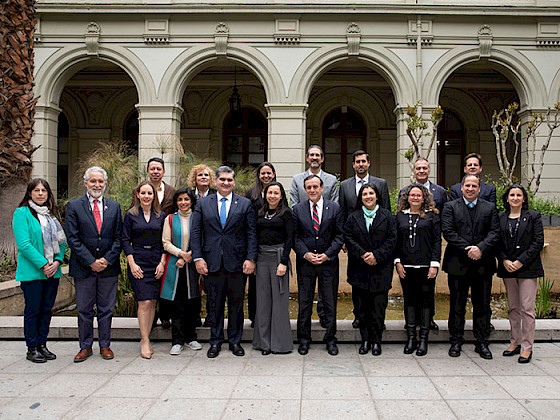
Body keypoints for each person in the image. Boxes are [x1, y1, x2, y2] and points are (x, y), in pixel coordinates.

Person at [190, 166, 257, 358]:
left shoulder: (244, 204)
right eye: (222, 180)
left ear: (234, 182)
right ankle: (216, 341)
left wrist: (251, 258)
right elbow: (196, 232)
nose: (226, 183)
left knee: (236, 305)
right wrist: (198, 257)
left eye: (229, 180)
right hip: (211, 263)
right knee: (215, 305)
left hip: (237, 263)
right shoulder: (203, 204)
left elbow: (251, 234)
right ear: (216, 181)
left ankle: (235, 342)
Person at [66, 166, 122, 363]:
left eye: (100, 181)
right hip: (84, 268)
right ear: (85, 183)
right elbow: (73, 239)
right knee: (84, 309)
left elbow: (118, 238)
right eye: (93, 181)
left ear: (105, 184)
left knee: (106, 309)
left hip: (108, 268)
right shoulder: (73, 206)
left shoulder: (114, 207)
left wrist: (106, 260)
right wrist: (91, 261)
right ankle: (85, 346)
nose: (97, 185)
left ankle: (105, 345)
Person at [442, 174, 499, 359]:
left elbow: (494, 232)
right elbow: (448, 232)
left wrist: (480, 248)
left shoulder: (489, 208)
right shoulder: (451, 207)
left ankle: (482, 342)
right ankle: (456, 340)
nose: (470, 188)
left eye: (474, 186)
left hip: (483, 264)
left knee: (482, 304)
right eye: (467, 185)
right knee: (457, 305)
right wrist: (468, 249)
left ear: (479, 188)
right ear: (461, 187)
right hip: (458, 263)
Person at [13, 178, 67, 363]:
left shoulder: (51, 216)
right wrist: (44, 264)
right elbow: (24, 244)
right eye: (36, 190)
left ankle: (42, 344)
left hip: (53, 271)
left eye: (44, 190)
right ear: (30, 193)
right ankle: (32, 347)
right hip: (33, 272)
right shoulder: (22, 213)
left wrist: (58, 261)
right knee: (33, 310)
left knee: (47, 309)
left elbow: (62, 242)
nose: (41, 193)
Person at [292, 174, 344, 356]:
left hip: (328, 263)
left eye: (315, 187)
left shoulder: (335, 208)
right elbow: (295, 237)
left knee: (329, 302)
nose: (312, 190)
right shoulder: (297, 209)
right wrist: (306, 254)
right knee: (304, 303)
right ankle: (304, 340)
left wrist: (327, 255)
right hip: (306, 264)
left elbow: (340, 236)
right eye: (309, 188)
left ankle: (330, 339)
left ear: (322, 188)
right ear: (305, 190)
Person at [339, 150, 391, 329]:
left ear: (369, 163)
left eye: (363, 161)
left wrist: (380, 250)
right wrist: (345, 240)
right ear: (353, 165)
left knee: (378, 285)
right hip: (355, 242)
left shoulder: (380, 183)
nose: (360, 164)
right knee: (357, 283)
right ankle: (358, 316)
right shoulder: (345, 185)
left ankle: (378, 320)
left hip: (378, 243)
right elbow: (342, 214)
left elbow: (386, 212)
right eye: (357, 162)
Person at [344, 184, 396, 356]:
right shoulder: (353, 217)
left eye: (371, 193)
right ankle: (365, 340)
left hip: (380, 269)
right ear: (361, 198)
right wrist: (363, 254)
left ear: (377, 196)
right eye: (364, 194)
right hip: (359, 269)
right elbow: (348, 238)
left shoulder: (387, 216)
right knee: (362, 308)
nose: (368, 197)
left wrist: (376, 255)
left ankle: (376, 341)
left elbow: (392, 240)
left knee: (378, 308)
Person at [290, 145, 339, 329]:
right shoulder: (297, 179)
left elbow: (334, 209)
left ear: (322, 158)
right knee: (304, 299)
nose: (314, 158)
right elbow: (294, 204)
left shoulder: (331, 180)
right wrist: (305, 252)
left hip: (326, 246)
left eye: (318, 155)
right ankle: (304, 336)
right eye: (311, 155)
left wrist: (327, 253)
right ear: (307, 157)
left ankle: (328, 327)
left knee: (328, 297)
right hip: (306, 242)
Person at [497, 185, 544, 364]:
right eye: (512, 195)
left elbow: (538, 241)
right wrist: (504, 260)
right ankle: (514, 342)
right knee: (513, 307)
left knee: (527, 309)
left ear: (524, 198)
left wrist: (520, 261)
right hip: (508, 267)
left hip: (527, 267)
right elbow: (496, 241)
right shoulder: (501, 218)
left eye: (519, 195)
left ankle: (527, 347)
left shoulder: (533, 216)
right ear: (507, 198)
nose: (515, 198)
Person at [398, 157, 447, 331]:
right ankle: (411, 323)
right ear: (414, 170)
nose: (421, 171)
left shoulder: (440, 192)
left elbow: (443, 219)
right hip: (409, 253)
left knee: (427, 293)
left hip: (428, 248)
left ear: (429, 169)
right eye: (418, 168)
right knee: (410, 294)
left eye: (424, 168)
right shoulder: (404, 191)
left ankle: (429, 321)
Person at [394, 184, 441, 356]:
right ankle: (411, 338)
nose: (415, 198)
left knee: (426, 302)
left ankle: (423, 340)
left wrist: (435, 264)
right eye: (412, 195)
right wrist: (397, 262)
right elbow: (396, 241)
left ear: (424, 198)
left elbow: (437, 242)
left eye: (418, 195)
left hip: (426, 267)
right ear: (407, 197)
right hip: (406, 267)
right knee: (410, 301)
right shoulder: (399, 216)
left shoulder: (433, 216)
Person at [121, 181, 166, 359]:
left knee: (153, 301)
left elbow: (165, 240)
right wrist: (132, 263)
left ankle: (146, 337)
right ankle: (145, 339)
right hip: (138, 261)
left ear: (154, 196)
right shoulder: (130, 215)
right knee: (143, 302)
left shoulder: (161, 216)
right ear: (138, 195)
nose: (147, 196)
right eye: (144, 193)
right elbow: (125, 240)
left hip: (156, 261)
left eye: (150, 193)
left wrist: (162, 262)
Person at [252, 182, 294, 355]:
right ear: (265, 194)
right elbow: (254, 236)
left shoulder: (286, 214)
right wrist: (253, 260)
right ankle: (264, 343)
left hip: (278, 258)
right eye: (270, 192)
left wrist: (284, 262)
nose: (272, 196)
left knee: (279, 302)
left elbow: (290, 239)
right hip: (261, 258)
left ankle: (280, 344)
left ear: (281, 195)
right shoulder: (259, 213)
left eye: (276, 193)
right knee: (263, 302)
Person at [161, 187, 202, 356]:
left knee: (193, 303)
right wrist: (180, 254)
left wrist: (189, 255)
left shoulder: (198, 218)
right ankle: (177, 341)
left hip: (193, 265)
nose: (183, 203)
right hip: (175, 266)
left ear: (191, 200)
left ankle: (191, 337)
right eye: (180, 200)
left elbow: (202, 238)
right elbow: (165, 242)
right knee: (177, 304)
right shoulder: (170, 219)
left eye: (186, 199)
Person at [245, 162, 278, 328]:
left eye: (269, 173)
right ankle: (255, 317)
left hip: (272, 246)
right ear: (259, 175)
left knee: (272, 285)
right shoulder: (251, 194)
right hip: (255, 244)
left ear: (273, 174)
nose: (266, 176)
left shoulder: (277, 191)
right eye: (263, 173)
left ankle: (271, 316)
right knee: (255, 284)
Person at [147, 157, 175, 329]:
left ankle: (165, 315)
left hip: (167, 241)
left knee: (166, 279)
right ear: (148, 171)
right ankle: (151, 315)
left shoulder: (172, 191)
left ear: (163, 172)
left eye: (159, 169)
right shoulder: (141, 190)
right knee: (149, 279)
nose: (156, 172)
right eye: (152, 169)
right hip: (146, 242)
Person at [187, 163, 216, 327]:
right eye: (200, 175)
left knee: (210, 283)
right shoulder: (188, 195)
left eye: (206, 175)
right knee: (194, 283)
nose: (203, 177)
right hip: (192, 243)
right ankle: (195, 316)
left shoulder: (216, 194)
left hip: (211, 244)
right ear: (194, 179)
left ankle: (211, 316)